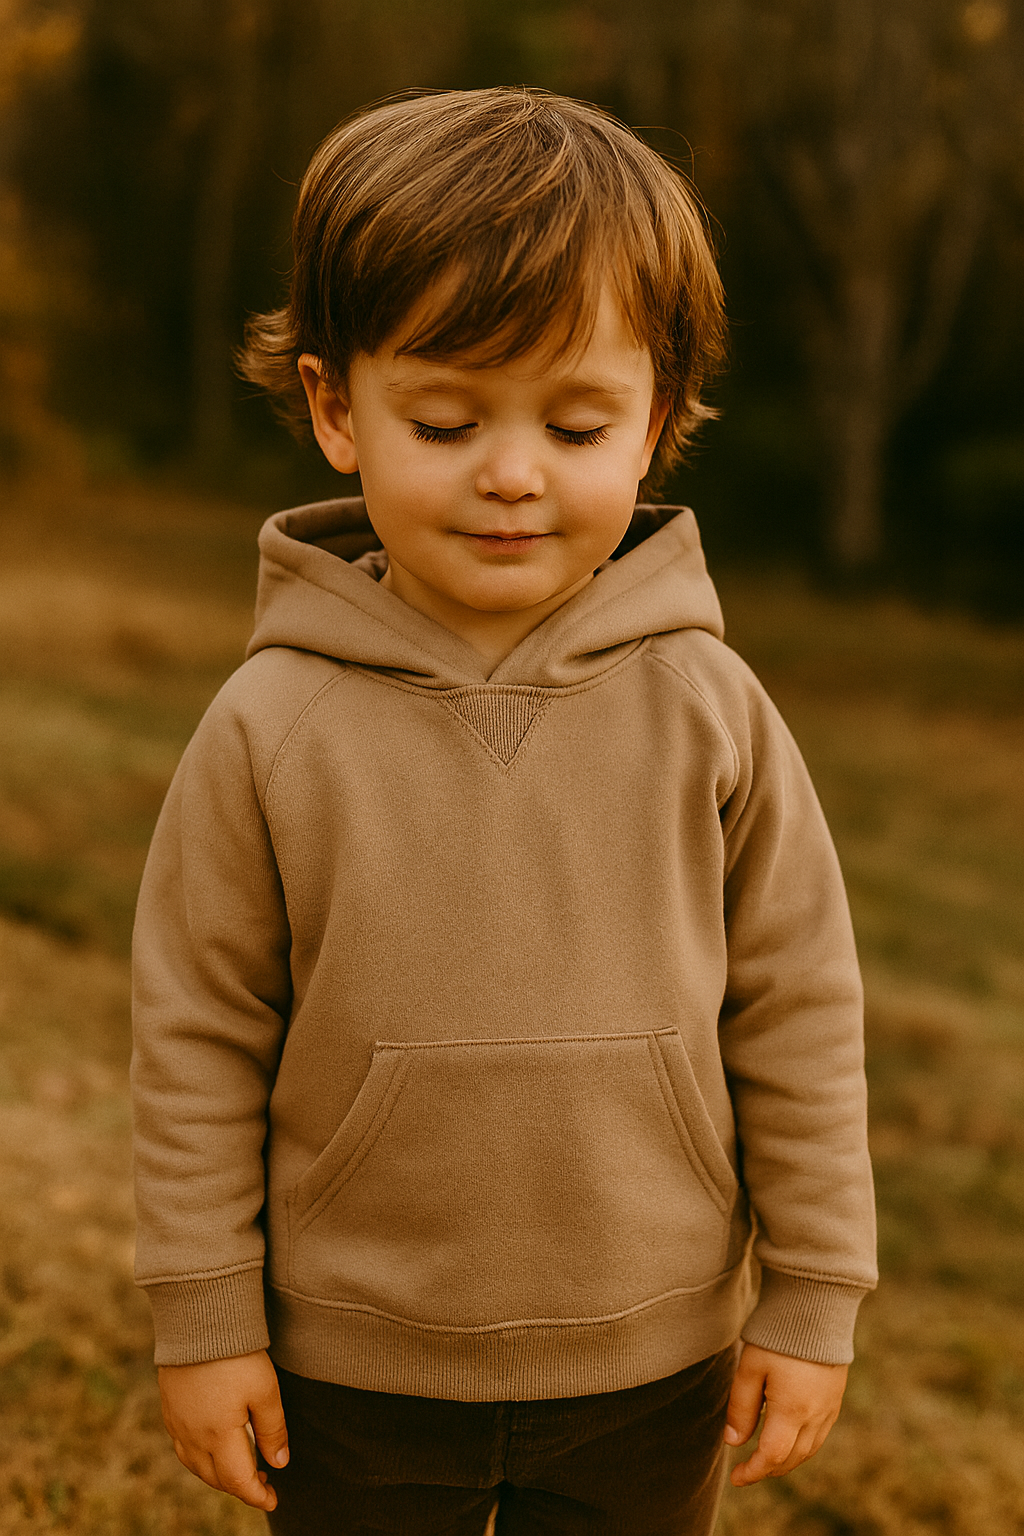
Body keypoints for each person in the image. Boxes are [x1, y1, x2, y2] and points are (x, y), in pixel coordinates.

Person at [131, 86, 876, 1535]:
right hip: (350, 1364)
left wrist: (816, 1290)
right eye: (450, 417)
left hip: (655, 1360)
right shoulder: (270, 727)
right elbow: (197, 1036)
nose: (514, 472)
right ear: (339, 408)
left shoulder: (711, 710)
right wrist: (206, 1321)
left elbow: (799, 1012)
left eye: (579, 420)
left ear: (655, 421)